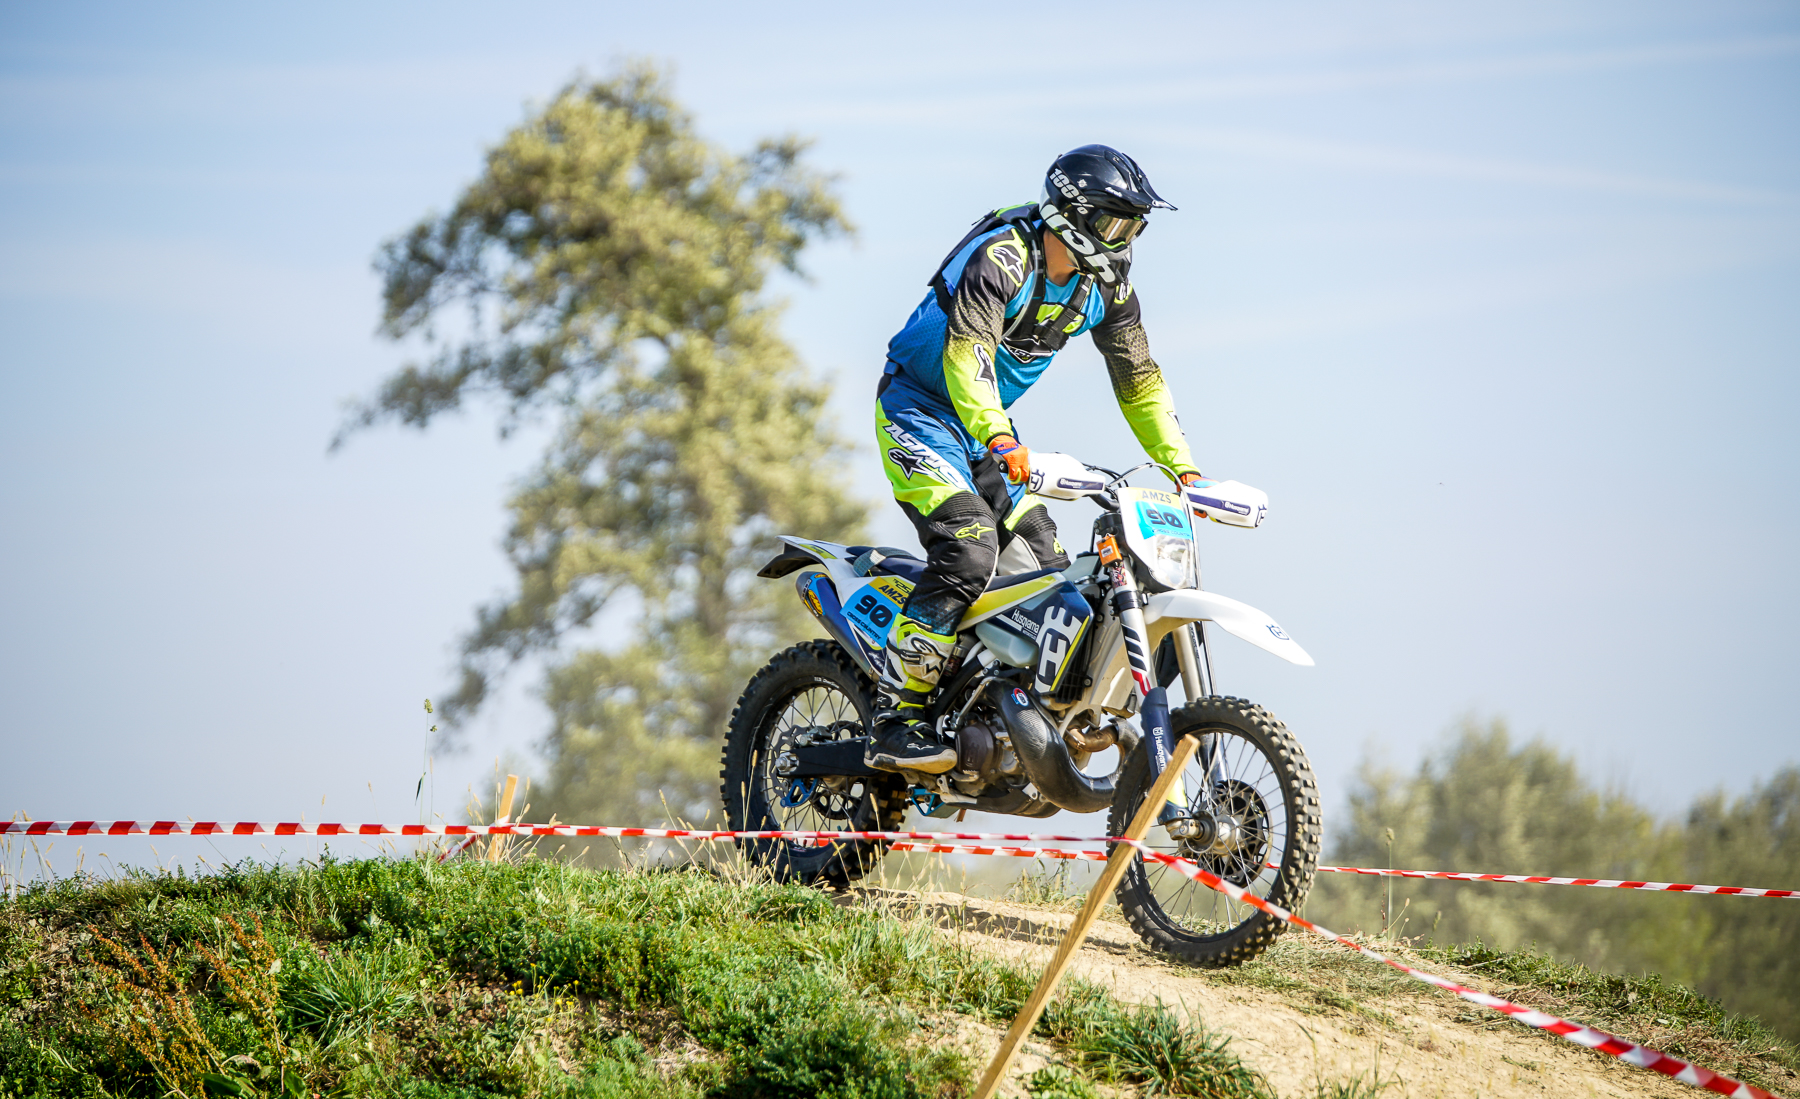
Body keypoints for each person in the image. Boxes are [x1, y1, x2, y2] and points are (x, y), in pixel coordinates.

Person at [865, 144, 1206, 774]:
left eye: (1134, 226)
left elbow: (1140, 380)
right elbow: (967, 357)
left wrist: (1180, 466)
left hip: (986, 430)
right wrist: (998, 436)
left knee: (1049, 573)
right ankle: (896, 714)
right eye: (1114, 223)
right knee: (969, 548)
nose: (1124, 240)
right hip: (919, 411)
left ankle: (1002, 710)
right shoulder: (1003, 258)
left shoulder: (1107, 288)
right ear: (1072, 216)